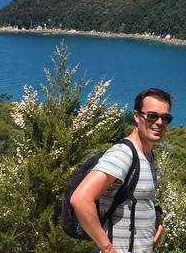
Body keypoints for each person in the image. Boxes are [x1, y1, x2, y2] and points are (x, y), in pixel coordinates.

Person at [70, 88, 171, 253]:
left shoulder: (148, 155)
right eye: (152, 116)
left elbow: (141, 199)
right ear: (137, 117)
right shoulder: (123, 155)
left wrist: (157, 221)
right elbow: (81, 199)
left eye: (165, 118)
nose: (159, 122)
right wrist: (107, 248)